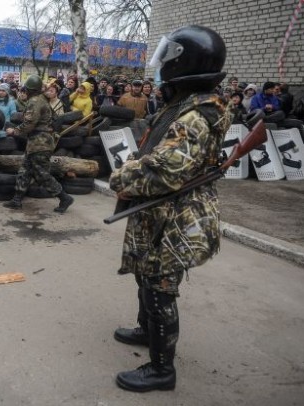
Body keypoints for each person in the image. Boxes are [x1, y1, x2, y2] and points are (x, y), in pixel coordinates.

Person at [109, 25, 233, 392]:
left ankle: (162, 369)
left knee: (159, 285)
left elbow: (164, 170)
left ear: (185, 62)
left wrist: (121, 177)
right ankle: (147, 331)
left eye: (169, 56)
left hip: (178, 215)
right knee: (145, 275)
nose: (162, 64)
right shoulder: (184, 102)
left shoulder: (197, 113)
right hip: (159, 212)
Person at [2, 75, 74, 214]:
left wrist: (14, 131)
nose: (24, 91)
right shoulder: (43, 100)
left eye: (26, 89)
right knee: (25, 170)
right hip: (37, 142)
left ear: (30, 90)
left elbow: (29, 124)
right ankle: (17, 200)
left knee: (41, 174)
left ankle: (64, 197)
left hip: (40, 143)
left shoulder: (35, 101)